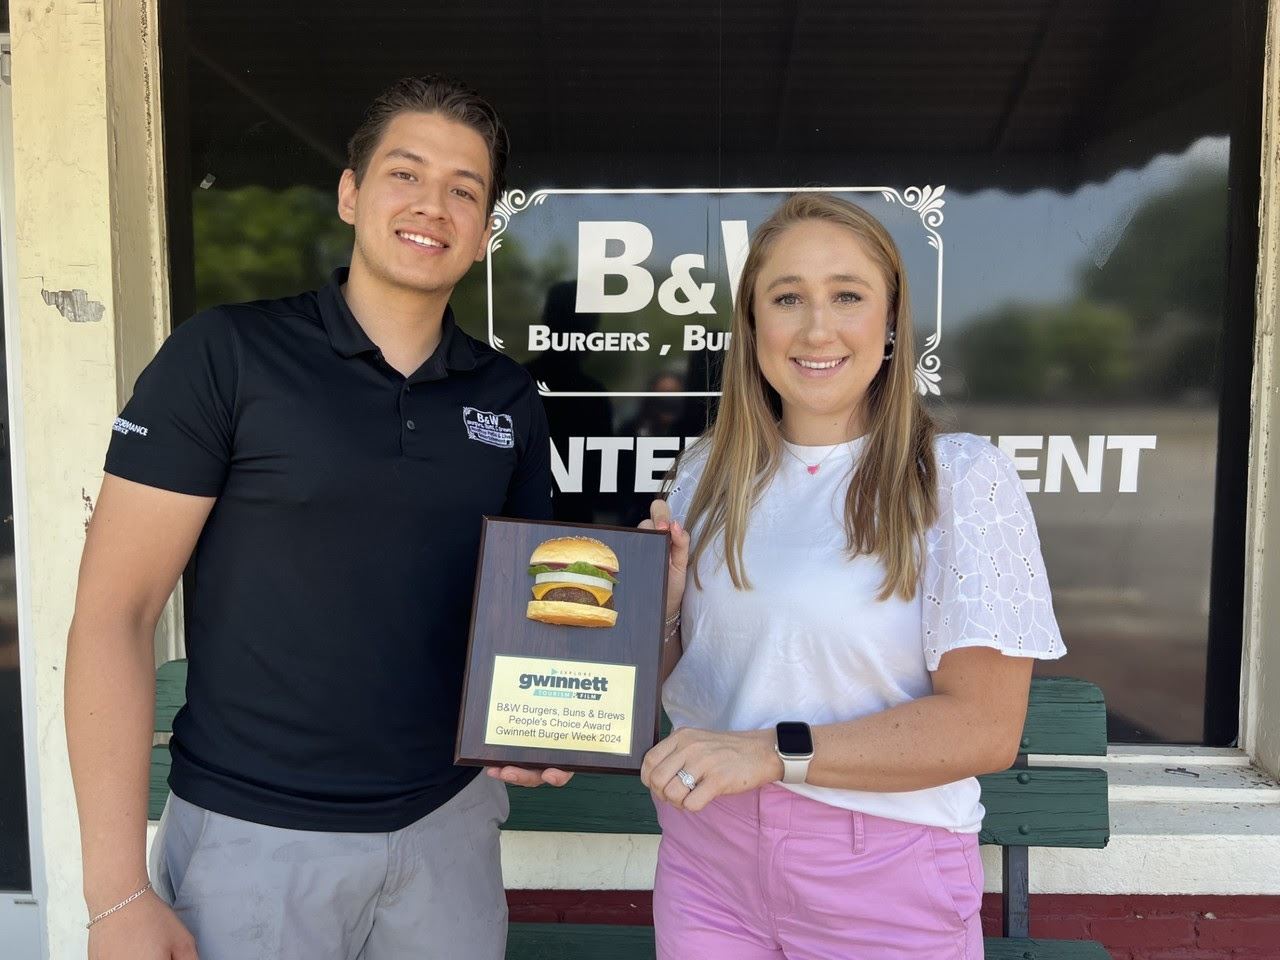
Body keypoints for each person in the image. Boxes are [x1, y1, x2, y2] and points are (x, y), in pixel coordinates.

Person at [66, 76, 568, 960]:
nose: (432, 206)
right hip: (252, 844)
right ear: (350, 193)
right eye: (404, 174)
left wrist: (534, 726)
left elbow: (523, 617)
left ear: (486, 231)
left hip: (446, 833)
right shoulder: (224, 354)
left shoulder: (507, 395)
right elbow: (116, 614)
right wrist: (114, 896)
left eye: (464, 189)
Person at [640, 193, 1065, 959]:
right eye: (787, 298)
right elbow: (682, 688)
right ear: (753, 324)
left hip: (885, 869)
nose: (816, 328)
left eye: (847, 295)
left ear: (892, 319)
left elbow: (986, 727)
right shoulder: (704, 474)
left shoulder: (960, 478)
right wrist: (664, 612)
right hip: (708, 861)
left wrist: (772, 752)